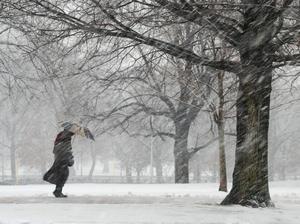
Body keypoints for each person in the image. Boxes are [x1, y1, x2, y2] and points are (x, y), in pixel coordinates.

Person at [43, 129, 75, 197]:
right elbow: (66, 151)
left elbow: (56, 150)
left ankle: (57, 191)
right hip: (62, 161)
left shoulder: (60, 138)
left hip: (59, 160)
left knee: (61, 176)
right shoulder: (66, 139)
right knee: (63, 176)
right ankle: (57, 191)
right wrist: (69, 155)